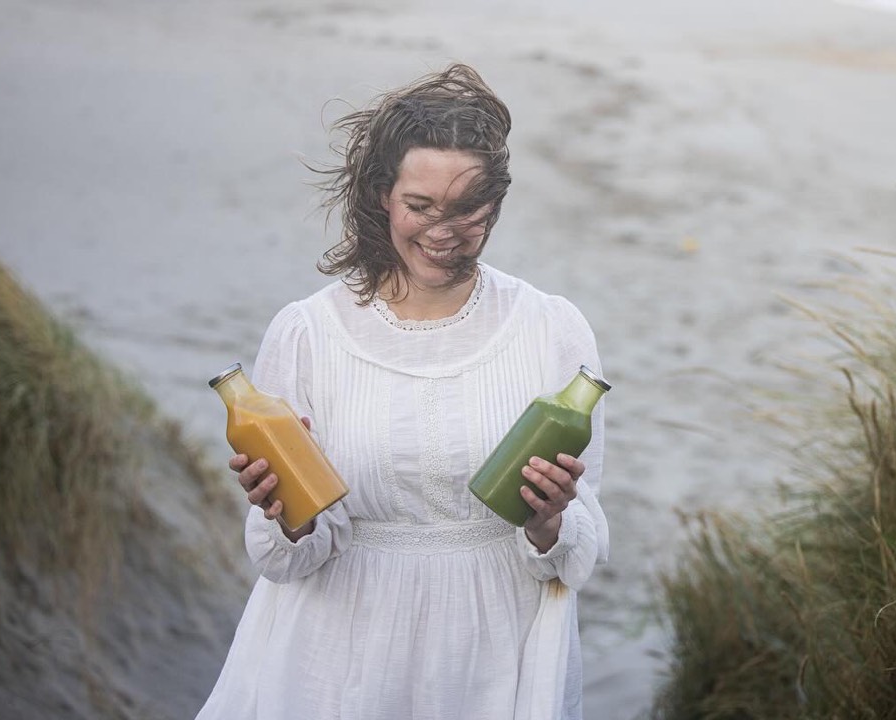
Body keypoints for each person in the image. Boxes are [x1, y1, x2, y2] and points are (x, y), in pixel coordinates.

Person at [196, 63, 609, 720]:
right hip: (338, 658)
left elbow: (579, 550)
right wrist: (288, 514)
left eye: (467, 209)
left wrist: (548, 521)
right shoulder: (306, 334)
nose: (443, 231)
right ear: (382, 196)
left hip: (494, 654)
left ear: (496, 203)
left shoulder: (551, 329)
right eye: (420, 207)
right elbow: (285, 561)